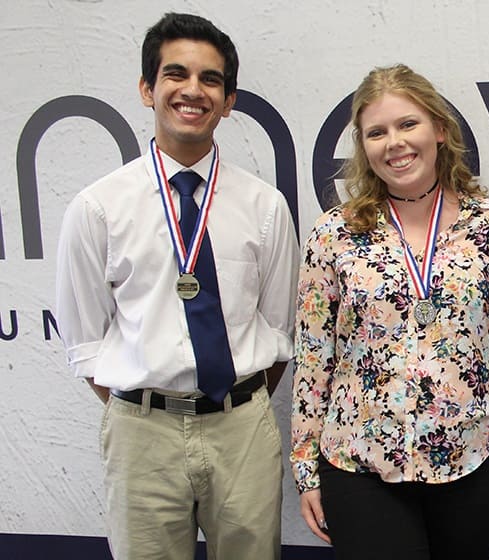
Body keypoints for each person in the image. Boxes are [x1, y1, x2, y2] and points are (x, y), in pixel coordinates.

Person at [54, 12, 298, 560]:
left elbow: (278, 330)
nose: (193, 90)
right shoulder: (99, 208)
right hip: (142, 435)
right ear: (148, 89)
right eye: (176, 74)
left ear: (229, 99)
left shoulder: (265, 207)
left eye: (211, 79)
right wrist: (151, 403)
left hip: (241, 429)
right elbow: (87, 344)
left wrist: (232, 399)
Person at [290, 64, 489, 560]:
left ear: (439, 129)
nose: (394, 142)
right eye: (377, 132)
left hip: (477, 457)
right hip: (361, 465)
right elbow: (313, 359)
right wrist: (305, 465)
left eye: (407, 124)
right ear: (364, 146)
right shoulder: (335, 233)